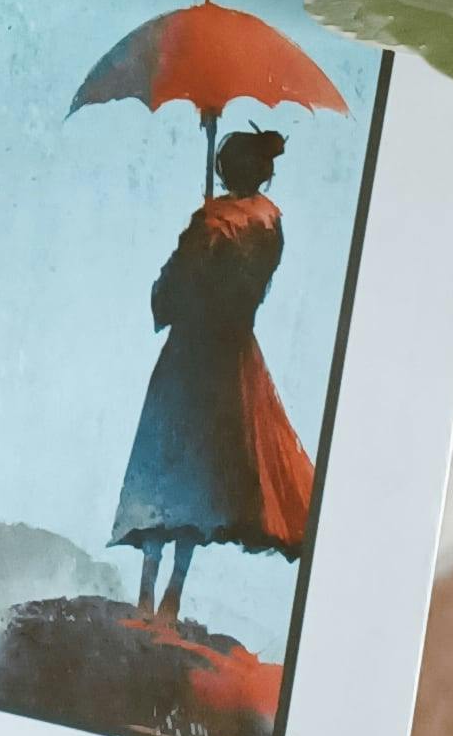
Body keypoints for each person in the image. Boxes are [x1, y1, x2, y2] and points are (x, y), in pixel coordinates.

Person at [111, 128, 316, 624]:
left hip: (191, 354)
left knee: (165, 464)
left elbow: (172, 288)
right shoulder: (270, 225)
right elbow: (249, 289)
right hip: (235, 358)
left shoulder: (213, 221)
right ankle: (172, 601)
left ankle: (145, 598)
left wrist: (199, 236)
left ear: (226, 170)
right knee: (204, 474)